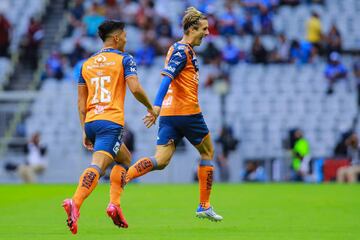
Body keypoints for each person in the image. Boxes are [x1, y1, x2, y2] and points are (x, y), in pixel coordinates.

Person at [125, 7, 223, 222]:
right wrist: (155, 107)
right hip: (187, 112)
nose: (207, 33)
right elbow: (166, 79)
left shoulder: (176, 48)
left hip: (171, 114)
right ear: (191, 28)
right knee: (208, 152)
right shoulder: (183, 51)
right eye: (204, 29)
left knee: (161, 160)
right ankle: (204, 205)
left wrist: (161, 109)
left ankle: (125, 176)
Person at [62, 20, 156, 234]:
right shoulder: (125, 59)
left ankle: (115, 205)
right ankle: (75, 202)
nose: (126, 39)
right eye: (124, 35)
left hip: (92, 122)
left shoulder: (86, 64)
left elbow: (80, 102)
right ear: (116, 38)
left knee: (124, 159)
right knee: (98, 166)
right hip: (110, 123)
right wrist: (151, 107)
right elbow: (135, 88)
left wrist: (85, 130)